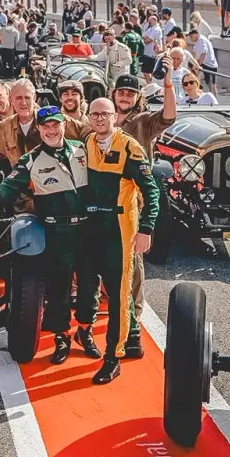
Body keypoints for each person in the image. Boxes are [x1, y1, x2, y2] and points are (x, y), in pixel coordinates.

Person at [0, 105, 87, 364]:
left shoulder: (83, 149)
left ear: (64, 125)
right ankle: (62, 338)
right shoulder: (30, 160)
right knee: (60, 288)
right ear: (39, 129)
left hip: (87, 228)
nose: (51, 131)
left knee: (89, 287)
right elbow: (7, 189)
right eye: (46, 127)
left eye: (55, 125)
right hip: (56, 230)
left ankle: (86, 332)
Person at [78, 98, 159, 384]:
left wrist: (146, 229)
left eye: (105, 114)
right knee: (87, 287)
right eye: (95, 114)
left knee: (120, 295)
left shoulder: (129, 148)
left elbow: (151, 192)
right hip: (91, 229)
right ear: (89, 118)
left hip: (119, 232)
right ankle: (126, 337)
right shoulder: (87, 144)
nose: (100, 119)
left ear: (115, 117)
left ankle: (114, 357)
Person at [189, 29, 218, 97]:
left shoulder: (201, 40)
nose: (190, 38)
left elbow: (203, 52)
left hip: (208, 65)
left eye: (191, 36)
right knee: (211, 84)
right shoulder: (201, 39)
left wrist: (198, 64)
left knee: (211, 84)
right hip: (211, 64)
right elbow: (195, 52)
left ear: (196, 34)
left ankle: (212, 99)